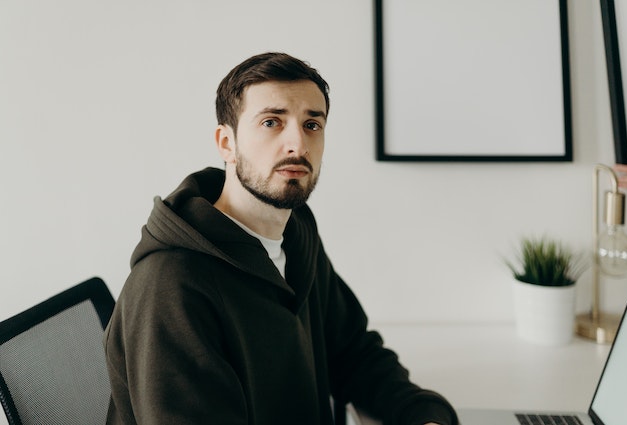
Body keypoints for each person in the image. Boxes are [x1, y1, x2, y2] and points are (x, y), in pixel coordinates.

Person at [103, 52, 458, 425]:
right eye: (272, 122)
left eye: (312, 125)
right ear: (227, 143)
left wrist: (423, 415)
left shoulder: (296, 234)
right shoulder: (172, 285)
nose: (298, 144)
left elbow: (354, 353)